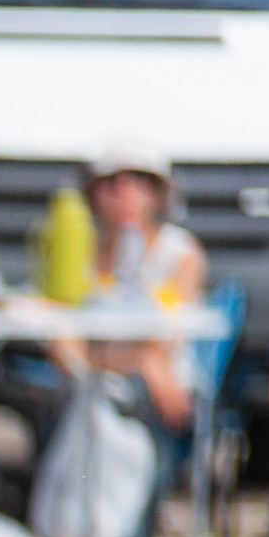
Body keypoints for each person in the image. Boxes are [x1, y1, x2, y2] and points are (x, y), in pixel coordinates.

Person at [47, 141, 206, 436]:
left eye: (139, 182)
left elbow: (169, 340)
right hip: (101, 380)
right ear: (93, 193)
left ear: (160, 193)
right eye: (112, 184)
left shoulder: (180, 252)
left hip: (154, 391)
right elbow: (65, 333)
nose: (125, 194)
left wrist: (143, 360)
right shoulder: (81, 248)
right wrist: (139, 359)